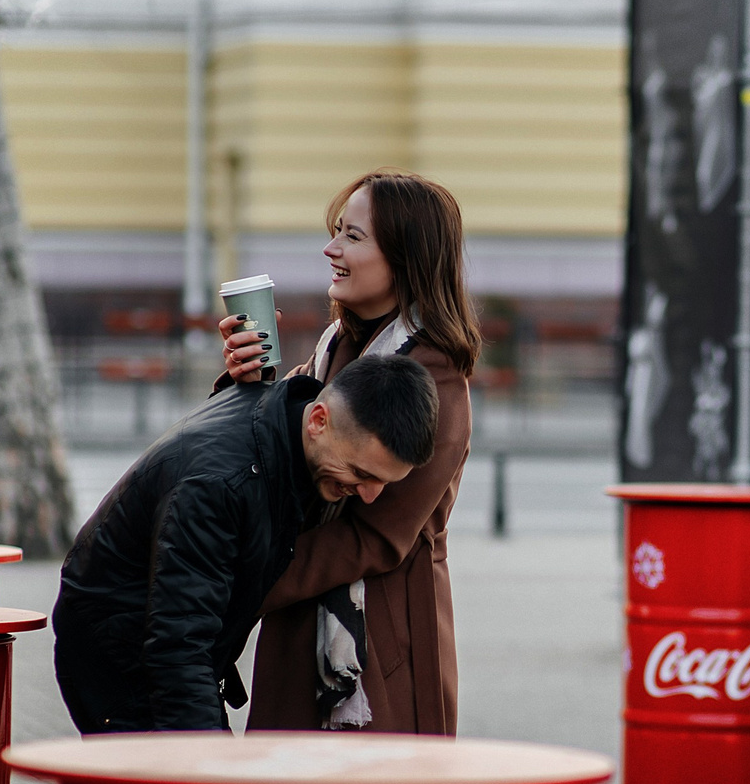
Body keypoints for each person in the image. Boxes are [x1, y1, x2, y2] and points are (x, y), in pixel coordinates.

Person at [50, 350, 439, 734]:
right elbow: (180, 642)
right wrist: (206, 758)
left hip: (157, 647)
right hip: (118, 660)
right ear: (319, 420)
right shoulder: (221, 486)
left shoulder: (282, 423)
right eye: (360, 473)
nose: (369, 496)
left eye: (384, 483)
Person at [217, 168, 478, 734]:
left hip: (377, 641)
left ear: (406, 259)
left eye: (353, 237)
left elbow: (376, 536)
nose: (331, 249)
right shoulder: (338, 342)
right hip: (300, 606)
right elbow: (284, 444)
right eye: (337, 231)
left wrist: (237, 585)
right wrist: (249, 382)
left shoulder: (433, 377)